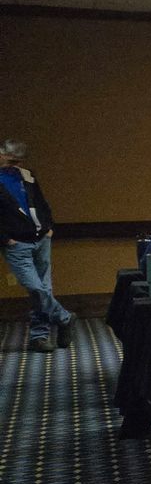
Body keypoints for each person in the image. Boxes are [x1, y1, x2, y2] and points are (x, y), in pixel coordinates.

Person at [1, 137, 73, 352]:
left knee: (43, 289)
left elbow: (41, 203)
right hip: (16, 243)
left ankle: (39, 336)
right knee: (35, 287)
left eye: (18, 161)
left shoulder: (27, 176)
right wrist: (5, 239)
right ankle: (64, 317)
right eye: (11, 160)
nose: (15, 165)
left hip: (41, 238)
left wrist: (49, 227)